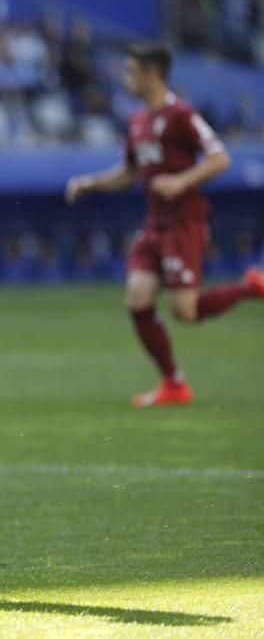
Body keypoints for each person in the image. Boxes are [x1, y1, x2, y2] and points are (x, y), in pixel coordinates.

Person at [66, 43, 263, 407]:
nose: (126, 78)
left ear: (152, 73)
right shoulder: (138, 121)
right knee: (137, 299)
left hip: (184, 222)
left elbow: (220, 158)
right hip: (154, 224)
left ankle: (251, 287)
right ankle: (173, 383)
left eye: (131, 71)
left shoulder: (182, 115)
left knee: (185, 312)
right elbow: (129, 172)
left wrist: (181, 181)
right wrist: (90, 183)